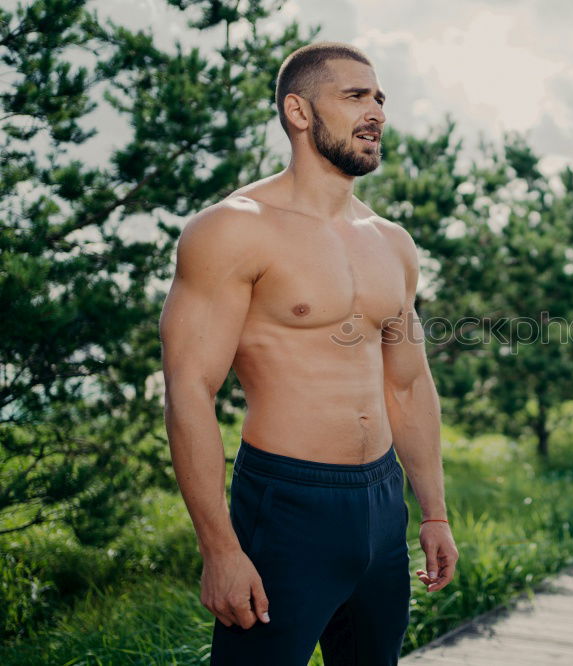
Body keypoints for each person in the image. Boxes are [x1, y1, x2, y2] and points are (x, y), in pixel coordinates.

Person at [158, 41, 459, 665]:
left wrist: (434, 514)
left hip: (382, 504)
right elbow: (189, 389)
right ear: (299, 111)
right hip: (288, 505)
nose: (375, 111)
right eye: (354, 97)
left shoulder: (392, 243)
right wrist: (219, 549)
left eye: (379, 97)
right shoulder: (232, 229)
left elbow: (406, 385)